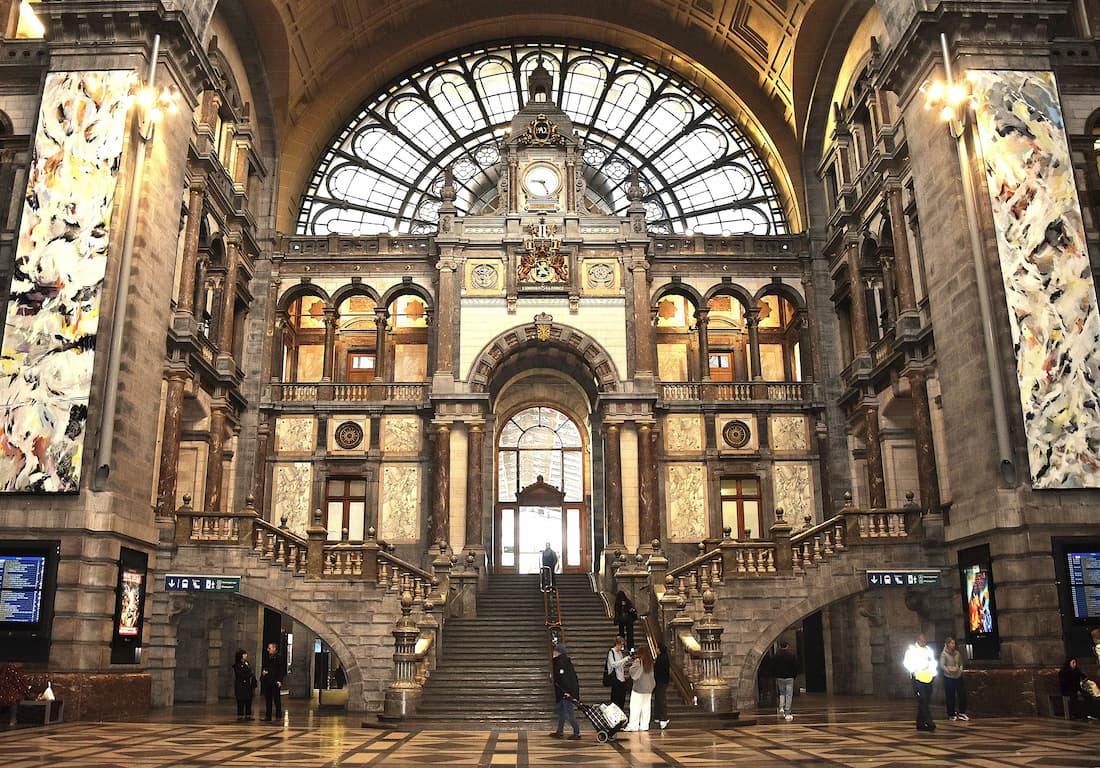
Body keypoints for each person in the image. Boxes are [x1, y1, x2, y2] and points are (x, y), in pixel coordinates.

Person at [903, 633, 937, 732]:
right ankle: (929, 722)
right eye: (922, 639)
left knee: (925, 701)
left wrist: (933, 673)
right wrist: (918, 668)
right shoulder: (912, 651)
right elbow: (907, 664)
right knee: (923, 700)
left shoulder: (929, 650)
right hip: (918, 679)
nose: (924, 641)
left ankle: (920, 723)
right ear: (918, 640)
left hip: (929, 678)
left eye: (924, 639)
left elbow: (933, 662)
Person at [549, 643, 581, 740]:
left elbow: (564, 679)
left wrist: (567, 691)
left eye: (555, 651)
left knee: (569, 713)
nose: (553, 653)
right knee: (562, 712)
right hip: (563, 692)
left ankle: (576, 732)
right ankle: (559, 731)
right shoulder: (563, 661)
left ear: (558, 652)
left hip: (565, 692)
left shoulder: (561, 662)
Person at [624, 645, 655, 732]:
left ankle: (633, 725)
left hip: (639, 688)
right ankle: (644, 725)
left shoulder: (639, 661)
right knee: (646, 707)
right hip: (648, 688)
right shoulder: (650, 662)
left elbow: (633, 673)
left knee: (635, 707)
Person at [939, 637, 968, 721]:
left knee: (962, 694)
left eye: (954, 643)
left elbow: (960, 664)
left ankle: (962, 712)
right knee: (950, 696)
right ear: (947, 644)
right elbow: (942, 665)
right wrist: (949, 671)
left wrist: (959, 671)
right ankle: (951, 713)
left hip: (958, 677)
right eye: (951, 643)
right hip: (949, 678)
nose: (953, 645)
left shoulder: (957, 653)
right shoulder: (944, 654)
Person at [772, 640, 799, 721]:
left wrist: (776, 675)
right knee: (789, 694)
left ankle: (781, 707)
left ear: (780, 646)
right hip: (789, 677)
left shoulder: (776, 656)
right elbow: (795, 667)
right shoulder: (791, 655)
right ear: (787, 646)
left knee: (782, 693)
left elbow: (773, 667)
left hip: (780, 677)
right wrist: (794, 676)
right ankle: (787, 711)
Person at [260, 642, 285, 722]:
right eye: (268, 648)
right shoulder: (267, 657)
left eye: (270, 648)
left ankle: (278, 715)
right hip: (268, 680)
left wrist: (280, 680)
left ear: (274, 649)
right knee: (268, 699)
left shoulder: (279, 658)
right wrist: (263, 673)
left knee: (277, 699)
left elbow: (281, 670)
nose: (268, 650)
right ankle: (268, 716)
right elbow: (265, 667)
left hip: (275, 681)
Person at [606, 635, 631, 711]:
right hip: (615, 679)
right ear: (618, 644)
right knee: (616, 700)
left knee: (621, 699)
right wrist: (624, 659)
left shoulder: (620, 653)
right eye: (622, 645)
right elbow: (613, 664)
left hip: (621, 678)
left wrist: (626, 661)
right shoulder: (611, 652)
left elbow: (620, 664)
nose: (622, 647)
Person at [232, 649, 257, 720]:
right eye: (244, 654)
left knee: (248, 700)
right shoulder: (237, 665)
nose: (246, 655)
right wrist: (249, 675)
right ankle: (240, 715)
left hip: (247, 685)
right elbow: (240, 675)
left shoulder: (247, 663)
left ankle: (248, 715)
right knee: (241, 700)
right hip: (241, 685)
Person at [652, 642, 670, 730]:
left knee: (661, 699)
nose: (656, 650)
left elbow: (659, 671)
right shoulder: (662, 657)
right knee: (658, 699)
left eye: (657, 648)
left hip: (661, 681)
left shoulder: (662, 658)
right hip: (660, 681)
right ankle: (657, 717)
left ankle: (663, 718)